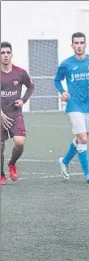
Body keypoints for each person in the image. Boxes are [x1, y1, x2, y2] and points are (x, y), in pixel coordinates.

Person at [54, 32, 89, 183]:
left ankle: (64, 161)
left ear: (85, 44)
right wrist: (63, 92)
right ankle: (87, 174)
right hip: (74, 104)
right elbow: (57, 80)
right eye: (76, 43)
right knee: (83, 138)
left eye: (81, 43)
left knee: (81, 138)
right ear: (72, 45)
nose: (79, 46)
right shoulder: (66, 64)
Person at [1, 41, 35, 185]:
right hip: (0, 115)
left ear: (12, 54)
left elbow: (31, 87)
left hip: (15, 113)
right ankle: (1, 174)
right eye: (2, 53)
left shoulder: (20, 73)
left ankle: (12, 163)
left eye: (8, 52)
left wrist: (23, 100)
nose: (5, 55)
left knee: (20, 142)